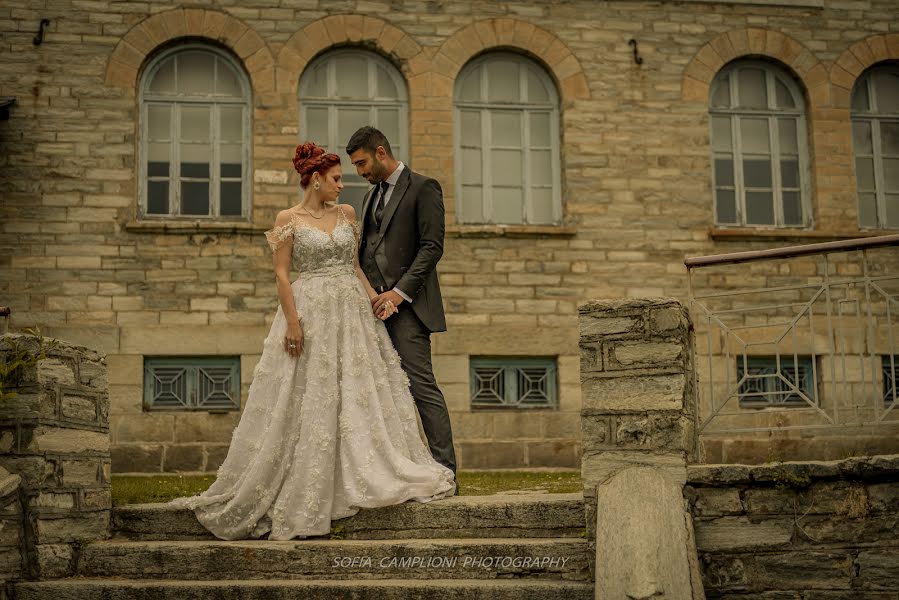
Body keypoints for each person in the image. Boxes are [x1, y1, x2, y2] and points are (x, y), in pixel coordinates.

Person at [170, 142, 455, 541]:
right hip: (312, 311)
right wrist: (292, 323)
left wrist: (379, 299)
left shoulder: (348, 214)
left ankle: (369, 467)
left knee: (360, 391)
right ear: (317, 180)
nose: (344, 185)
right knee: (311, 393)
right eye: (337, 178)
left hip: (353, 314)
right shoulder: (288, 219)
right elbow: (282, 275)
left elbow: (355, 265)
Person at [346, 126, 457, 476]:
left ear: (381, 152)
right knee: (381, 393)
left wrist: (398, 293)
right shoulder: (368, 197)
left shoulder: (424, 187)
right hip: (373, 310)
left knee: (421, 387)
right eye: (355, 167)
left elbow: (431, 248)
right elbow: (367, 250)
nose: (360, 172)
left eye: (362, 163)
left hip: (409, 309)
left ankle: (446, 471)